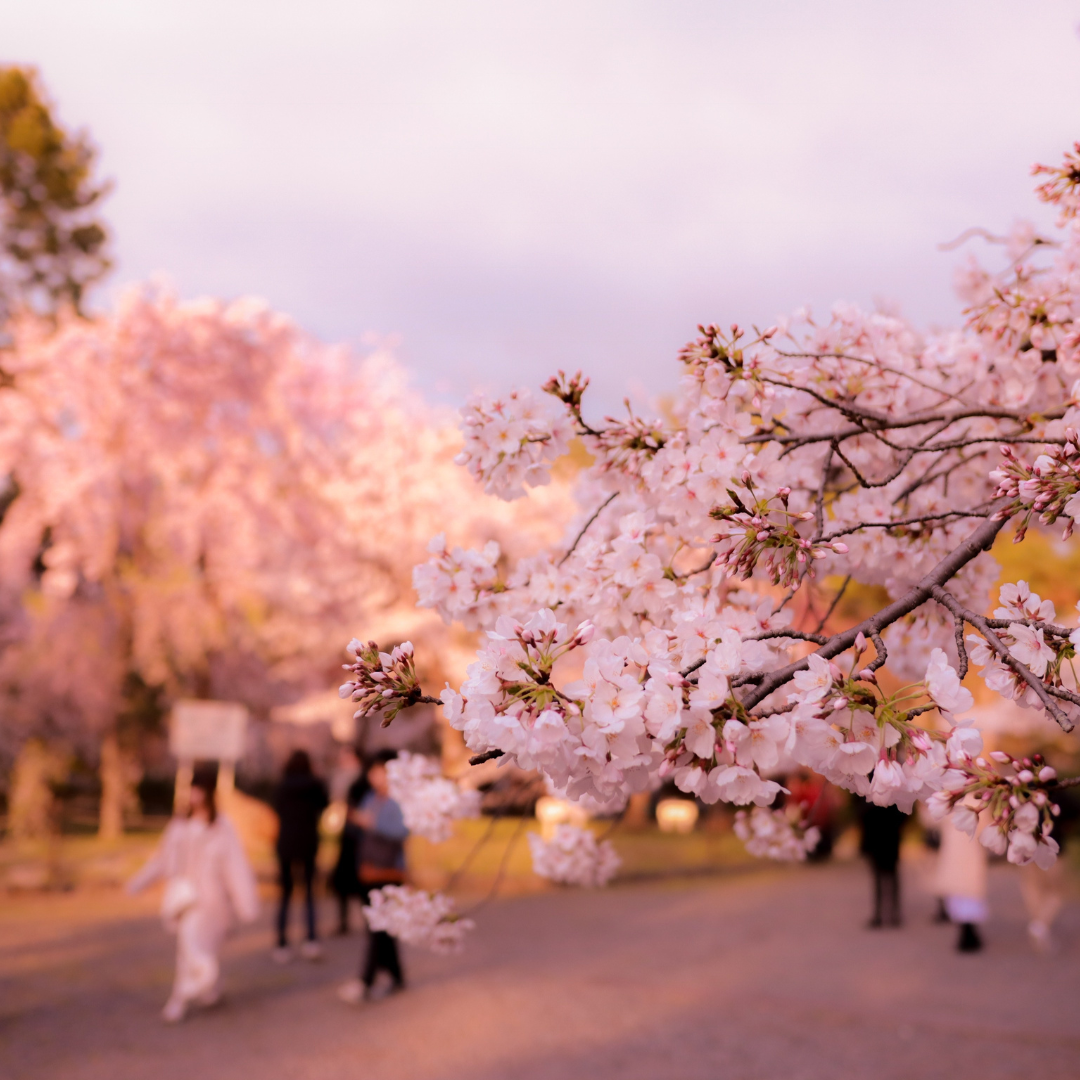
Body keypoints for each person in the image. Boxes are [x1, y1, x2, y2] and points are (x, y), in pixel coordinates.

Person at [128, 765, 259, 1023]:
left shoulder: (222, 827)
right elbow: (162, 859)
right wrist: (138, 883)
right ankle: (181, 997)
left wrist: (246, 904)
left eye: (199, 790)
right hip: (186, 900)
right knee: (190, 948)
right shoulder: (180, 825)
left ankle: (207, 989)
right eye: (193, 789)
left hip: (213, 903)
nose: (195, 796)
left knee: (204, 949)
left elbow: (236, 868)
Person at [338, 749, 409, 1003]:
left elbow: (401, 830)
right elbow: (358, 829)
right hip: (368, 870)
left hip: (389, 871)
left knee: (379, 927)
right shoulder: (370, 798)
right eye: (373, 771)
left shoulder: (398, 800)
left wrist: (372, 824)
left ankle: (365, 980)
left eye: (381, 771)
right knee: (381, 928)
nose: (376, 777)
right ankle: (397, 976)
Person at [272, 749, 329, 962]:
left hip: (286, 843)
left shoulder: (282, 786)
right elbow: (325, 805)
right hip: (308, 842)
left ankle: (281, 943)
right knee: (309, 894)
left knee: (285, 895)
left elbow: (277, 809)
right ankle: (311, 940)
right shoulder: (315, 785)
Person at [330, 746, 370, 935]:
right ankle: (345, 920)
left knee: (361, 880)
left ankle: (367, 920)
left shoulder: (361, 781)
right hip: (348, 835)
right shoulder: (345, 777)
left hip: (360, 837)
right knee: (345, 881)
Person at [935, 811, 988, 952]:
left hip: (967, 851)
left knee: (968, 893)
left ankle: (969, 931)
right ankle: (966, 931)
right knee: (959, 894)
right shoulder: (953, 800)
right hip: (957, 851)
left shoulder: (974, 799)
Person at [858, 797, 907, 927]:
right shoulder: (865, 790)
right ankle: (881, 913)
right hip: (877, 839)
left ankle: (891, 912)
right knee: (880, 877)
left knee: (889, 876)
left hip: (889, 838)